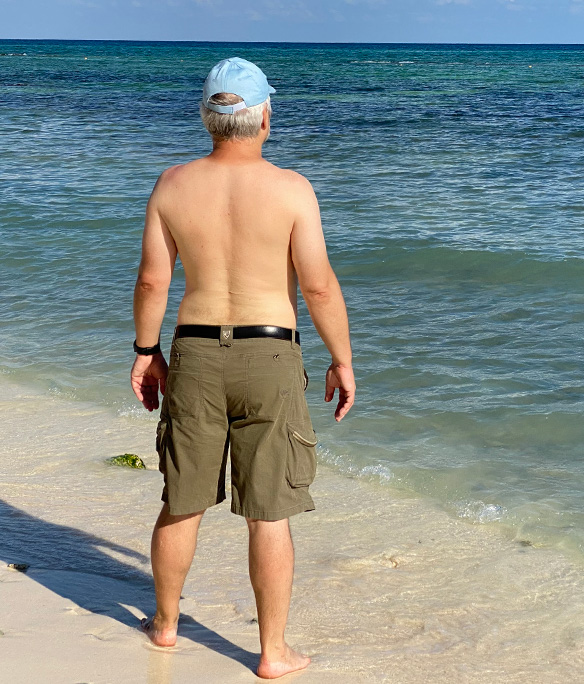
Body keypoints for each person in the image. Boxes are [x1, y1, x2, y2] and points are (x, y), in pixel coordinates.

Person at [129, 57, 355, 680]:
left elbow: (153, 279)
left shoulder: (172, 186)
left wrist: (148, 352)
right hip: (270, 352)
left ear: (208, 118)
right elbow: (318, 287)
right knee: (270, 510)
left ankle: (167, 625)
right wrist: (342, 359)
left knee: (182, 500)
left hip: (196, 351)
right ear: (265, 118)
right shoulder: (291, 190)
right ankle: (273, 651)